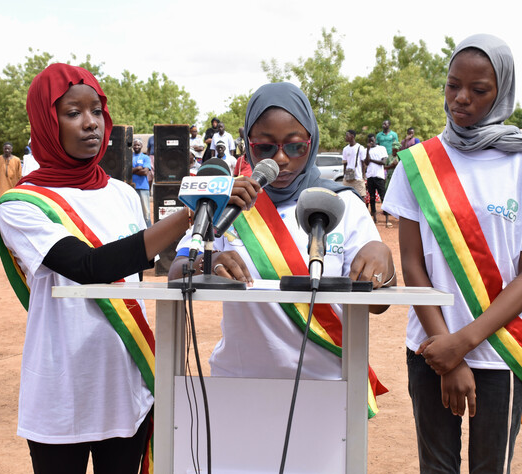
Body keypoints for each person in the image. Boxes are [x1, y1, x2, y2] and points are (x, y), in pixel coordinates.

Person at [0, 63, 258, 474]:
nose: (90, 123)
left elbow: (141, 273)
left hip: (126, 382)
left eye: (96, 110)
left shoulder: (120, 193)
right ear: (46, 121)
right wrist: (193, 210)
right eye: (72, 112)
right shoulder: (20, 205)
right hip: (64, 388)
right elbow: (90, 268)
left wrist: (203, 260)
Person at [382, 34, 522, 474]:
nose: (461, 99)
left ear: (504, 91)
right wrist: (448, 354)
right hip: (431, 350)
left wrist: (465, 344)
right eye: (454, 85)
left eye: (479, 90)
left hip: (501, 350)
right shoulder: (418, 163)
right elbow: (413, 264)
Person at [168, 82, 394, 402]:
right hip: (239, 384)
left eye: (295, 146)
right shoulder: (229, 204)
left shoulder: (343, 204)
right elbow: (177, 272)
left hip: (328, 387)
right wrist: (209, 261)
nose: (280, 160)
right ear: (248, 144)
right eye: (264, 147)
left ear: (311, 142)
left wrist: (382, 257)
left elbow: (379, 303)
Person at [363, 133, 389, 226]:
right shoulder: (366, 150)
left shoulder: (381, 148)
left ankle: (387, 220)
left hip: (379, 176)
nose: (371, 141)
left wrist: (371, 160)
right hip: (370, 176)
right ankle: (374, 219)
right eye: (369, 140)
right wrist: (368, 151)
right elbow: (366, 162)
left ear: (375, 140)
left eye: (372, 140)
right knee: (372, 198)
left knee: (383, 197)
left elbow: (383, 162)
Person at [131, 138, 152, 227]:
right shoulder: (129, 156)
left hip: (143, 187)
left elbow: (145, 172)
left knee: (146, 213)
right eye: (135, 145)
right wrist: (138, 168)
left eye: (138, 145)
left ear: (142, 146)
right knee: (133, 211)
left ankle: (150, 232)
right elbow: (125, 171)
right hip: (131, 187)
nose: (136, 146)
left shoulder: (145, 157)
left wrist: (132, 170)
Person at [341, 129, 365, 198]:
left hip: (358, 177)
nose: (345, 137)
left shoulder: (360, 148)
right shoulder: (345, 149)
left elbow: (363, 163)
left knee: (360, 197)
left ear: (352, 136)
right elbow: (345, 163)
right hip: (348, 177)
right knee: (347, 196)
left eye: (347, 135)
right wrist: (344, 176)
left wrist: (363, 176)